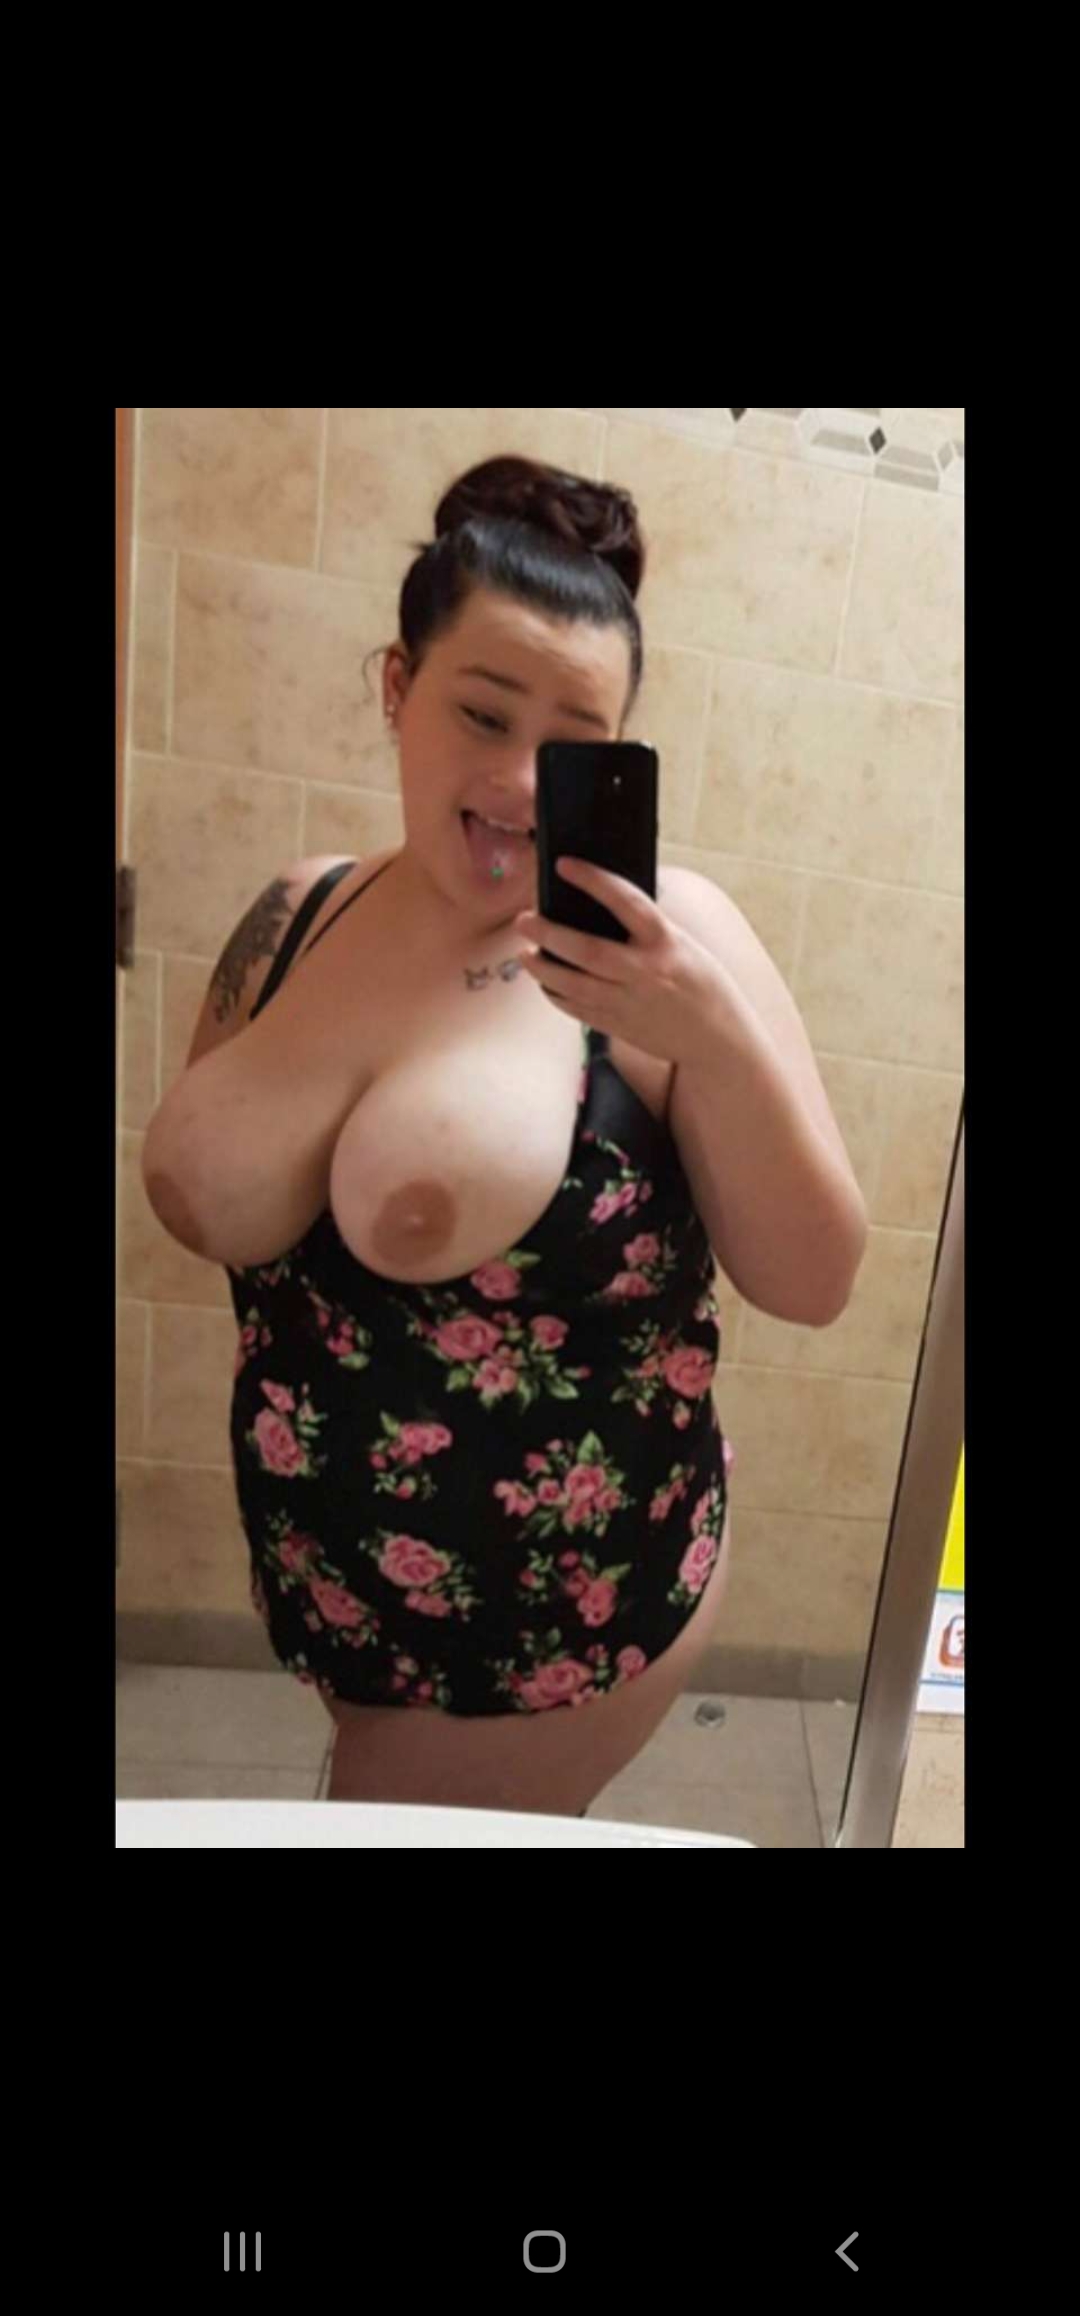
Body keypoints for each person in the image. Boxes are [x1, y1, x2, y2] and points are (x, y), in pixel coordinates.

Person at [142, 453, 867, 1818]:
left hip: (553, 1643)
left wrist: (711, 1034)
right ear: (396, 687)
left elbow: (817, 1278)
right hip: (341, 1611)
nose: (524, 782)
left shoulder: (668, 948)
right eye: (482, 712)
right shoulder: (296, 911)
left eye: (574, 740)